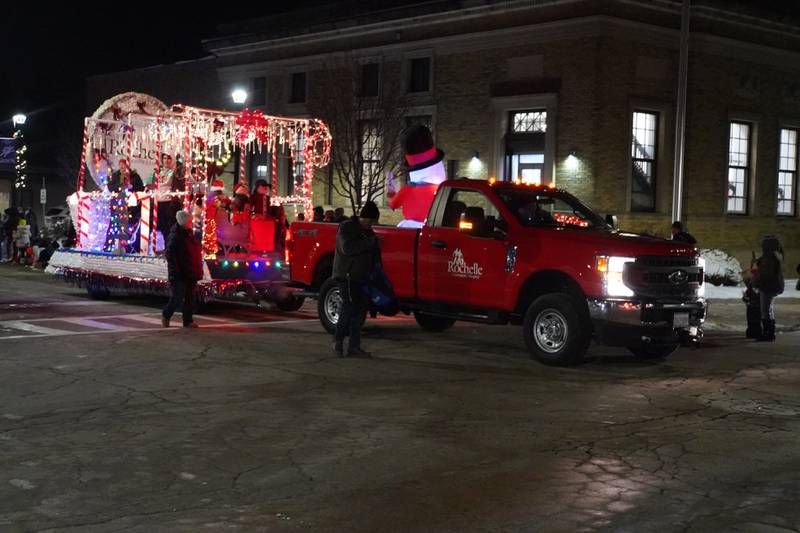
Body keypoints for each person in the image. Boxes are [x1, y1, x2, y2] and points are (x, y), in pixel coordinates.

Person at [332, 201, 381, 358]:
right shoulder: (347, 228)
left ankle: (354, 346)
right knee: (349, 307)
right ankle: (338, 341)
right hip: (347, 276)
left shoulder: (369, 233)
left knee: (360, 312)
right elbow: (347, 248)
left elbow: (373, 256)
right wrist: (370, 243)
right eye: (371, 221)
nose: (372, 225)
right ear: (365, 218)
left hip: (362, 277)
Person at [162, 210, 203, 328]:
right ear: (184, 222)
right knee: (177, 297)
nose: (191, 222)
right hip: (180, 273)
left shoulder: (189, 235)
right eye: (189, 221)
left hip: (190, 272)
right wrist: (177, 269)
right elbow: (170, 254)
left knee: (190, 298)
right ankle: (166, 314)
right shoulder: (175, 236)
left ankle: (188, 321)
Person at [750, 236, 784, 342]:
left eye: (764, 245)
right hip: (772, 286)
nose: (762, 247)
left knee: (765, 310)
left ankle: (767, 333)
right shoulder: (774, 257)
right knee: (769, 309)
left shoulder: (770, 258)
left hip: (768, 286)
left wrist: (756, 282)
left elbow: (765, 274)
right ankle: (770, 333)